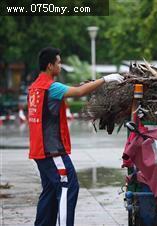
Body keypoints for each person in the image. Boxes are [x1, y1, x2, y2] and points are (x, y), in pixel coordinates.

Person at [27, 47, 124, 226]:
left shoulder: (34, 87)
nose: (61, 65)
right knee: (68, 186)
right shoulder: (51, 87)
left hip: (39, 150)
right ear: (50, 66)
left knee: (49, 190)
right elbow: (79, 92)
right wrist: (105, 79)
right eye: (58, 62)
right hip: (52, 151)